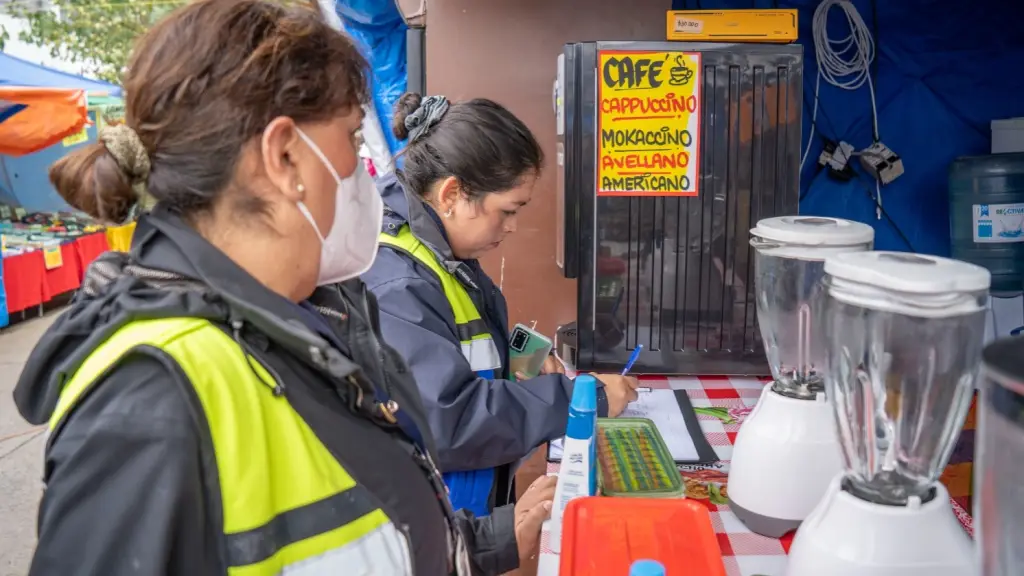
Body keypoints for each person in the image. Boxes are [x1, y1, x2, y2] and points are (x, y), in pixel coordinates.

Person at [12, 1, 552, 574]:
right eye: (353, 138)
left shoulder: (305, 318)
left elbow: (361, 522)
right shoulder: (151, 396)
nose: (366, 173)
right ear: (285, 157)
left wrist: (483, 544)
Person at [361, 93, 639, 517]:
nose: (512, 227)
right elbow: (452, 420)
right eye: (508, 211)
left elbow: (450, 346)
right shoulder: (397, 284)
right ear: (452, 194)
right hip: (431, 517)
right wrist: (583, 400)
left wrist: (513, 362)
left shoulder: (436, 251)